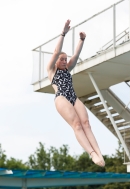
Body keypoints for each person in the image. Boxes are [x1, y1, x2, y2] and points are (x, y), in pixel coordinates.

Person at [47, 19, 105, 167]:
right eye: (62, 59)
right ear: (56, 61)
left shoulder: (67, 69)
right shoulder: (51, 70)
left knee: (86, 123)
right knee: (77, 125)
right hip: (61, 97)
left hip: (73, 96)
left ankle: (98, 152)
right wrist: (63, 34)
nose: (65, 61)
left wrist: (82, 39)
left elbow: (76, 54)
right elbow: (56, 52)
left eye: (66, 60)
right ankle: (91, 154)